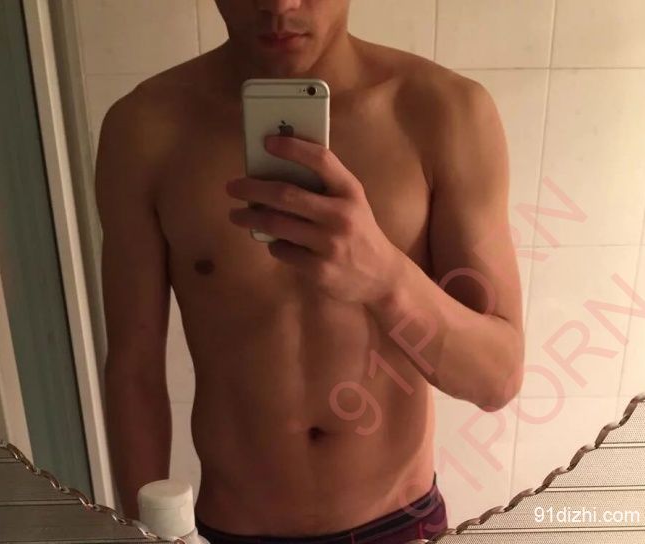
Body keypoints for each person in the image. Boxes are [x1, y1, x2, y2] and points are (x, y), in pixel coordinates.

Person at [96, 1, 525, 543]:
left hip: (399, 522)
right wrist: (145, 533)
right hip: (231, 528)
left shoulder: (443, 112)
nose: (280, 5)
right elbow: (134, 369)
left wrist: (386, 278)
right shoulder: (145, 129)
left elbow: (496, 379)